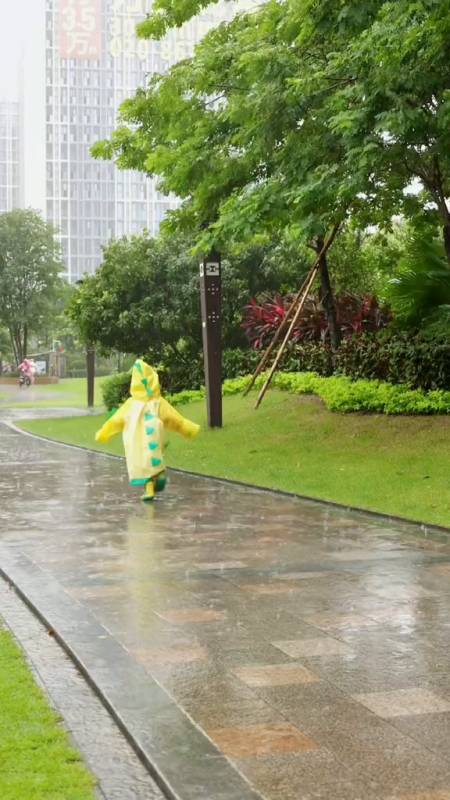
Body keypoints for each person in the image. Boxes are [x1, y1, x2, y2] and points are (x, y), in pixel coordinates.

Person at [95, 359, 200, 501]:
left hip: (137, 440)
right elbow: (174, 418)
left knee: (141, 463)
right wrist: (188, 429)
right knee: (154, 457)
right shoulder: (158, 402)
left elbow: (116, 420)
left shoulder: (131, 404)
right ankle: (159, 474)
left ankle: (149, 487)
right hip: (155, 436)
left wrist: (104, 433)